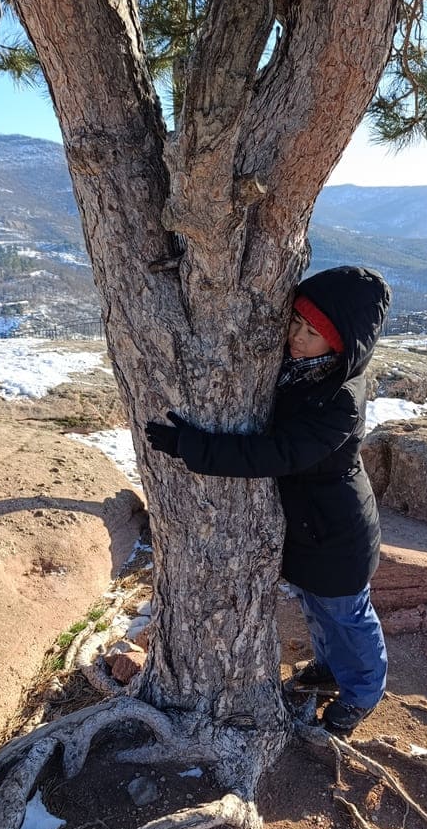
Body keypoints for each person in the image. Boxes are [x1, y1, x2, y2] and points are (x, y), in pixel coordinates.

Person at [145, 265, 391, 735]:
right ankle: (331, 670)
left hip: (337, 532)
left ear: (341, 343)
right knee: (318, 609)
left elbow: (277, 453)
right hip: (310, 527)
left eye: (313, 333)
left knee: (347, 615)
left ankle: (362, 694)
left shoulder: (339, 397)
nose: (297, 338)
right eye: (296, 323)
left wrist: (192, 446)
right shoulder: (303, 372)